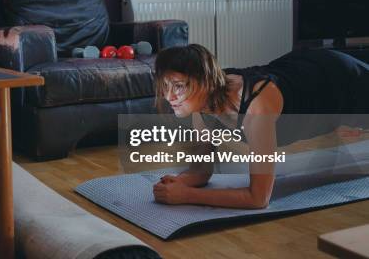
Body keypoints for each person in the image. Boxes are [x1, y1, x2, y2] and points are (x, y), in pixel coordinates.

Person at [152, 44, 369, 209]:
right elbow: (201, 171)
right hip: (301, 67)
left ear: (205, 82)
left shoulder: (256, 109)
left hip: (339, 81)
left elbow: (259, 198)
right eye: (165, 87)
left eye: (178, 87)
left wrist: (187, 196)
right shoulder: (201, 104)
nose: (169, 96)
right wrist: (177, 183)